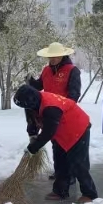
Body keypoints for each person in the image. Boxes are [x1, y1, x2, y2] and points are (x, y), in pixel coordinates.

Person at [13, 85, 98, 204]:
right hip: (61, 130)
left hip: (78, 128)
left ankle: (90, 194)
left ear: (32, 101)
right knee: (60, 161)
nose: (25, 108)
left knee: (78, 164)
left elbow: (48, 132)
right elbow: (32, 118)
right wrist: (32, 134)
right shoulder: (32, 103)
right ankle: (60, 191)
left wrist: (33, 148)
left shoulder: (50, 107)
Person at [26, 42, 82, 193]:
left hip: (66, 113)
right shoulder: (46, 70)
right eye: (50, 56)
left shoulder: (72, 70)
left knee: (67, 145)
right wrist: (31, 82)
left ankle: (70, 175)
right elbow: (40, 86)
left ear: (63, 55)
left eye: (56, 56)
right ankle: (60, 172)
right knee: (56, 144)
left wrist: (65, 107)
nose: (53, 59)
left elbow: (74, 94)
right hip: (49, 112)